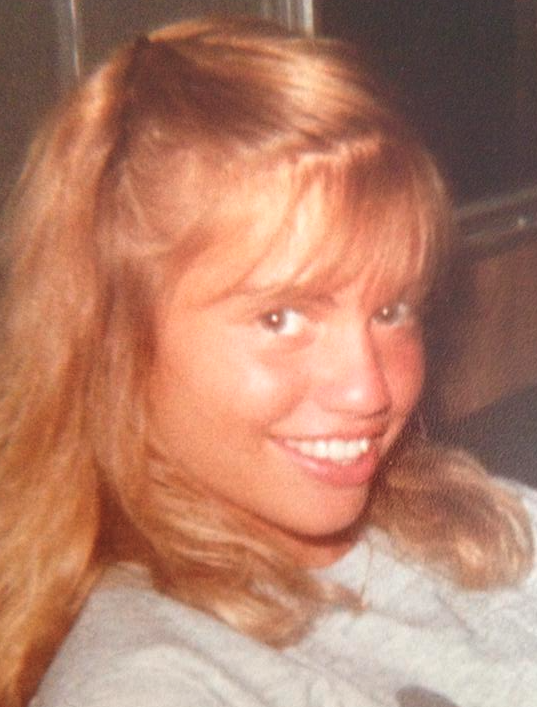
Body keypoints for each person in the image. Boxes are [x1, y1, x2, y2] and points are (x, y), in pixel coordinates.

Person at [0, 15, 535, 707]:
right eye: (280, 318)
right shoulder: (152, 682)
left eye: (391, 310)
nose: (367, 390)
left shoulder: (478, 524)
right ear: (112, 345)